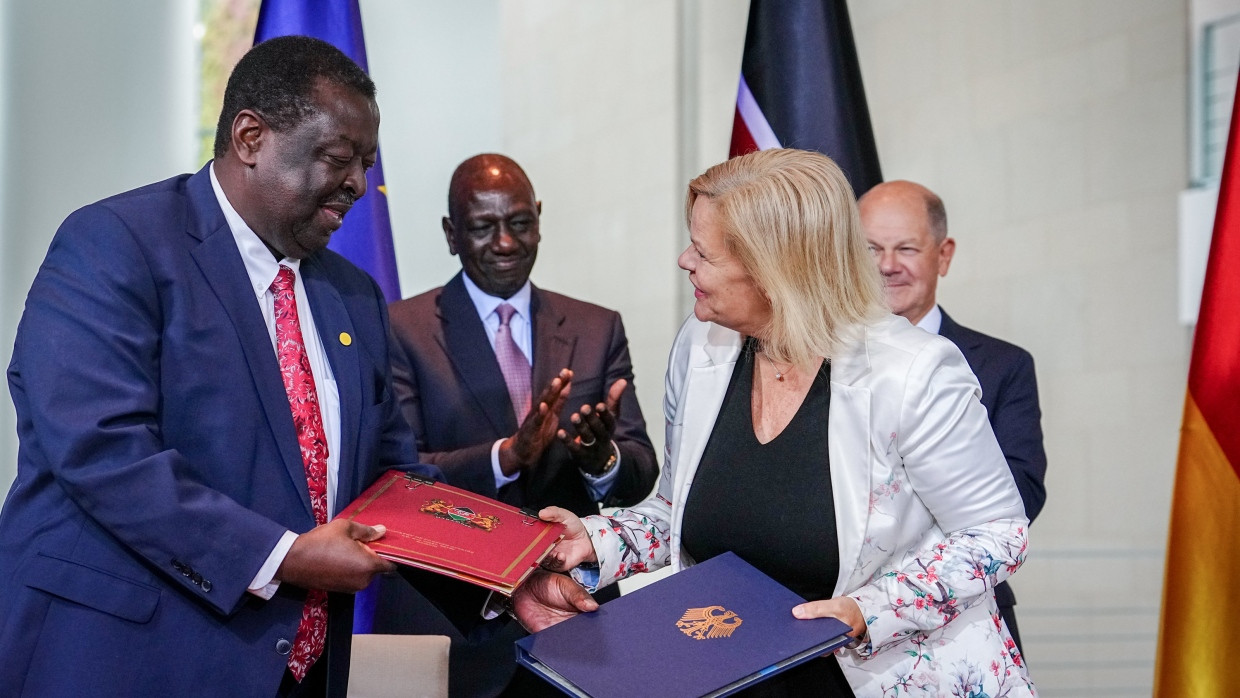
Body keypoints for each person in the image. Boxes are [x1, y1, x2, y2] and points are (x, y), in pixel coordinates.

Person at [0, 37, 591, 698]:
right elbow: (103, 452)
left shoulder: (353, 293)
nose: (359, 187)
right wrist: (283, 556)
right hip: (126, 660)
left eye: (366, 164)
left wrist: (507, 577)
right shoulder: (116, 245)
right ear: (251, 136)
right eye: (340, 160)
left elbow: (393, 483)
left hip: (299, 671)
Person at [539, 149, 1035, 696]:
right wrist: (596, 539)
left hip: (880, 678)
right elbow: (677, 514)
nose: (684, 261)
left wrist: (868, 611)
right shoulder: (703, 345)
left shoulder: (913, 372)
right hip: (727, 675)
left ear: (775, 269)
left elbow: (996, 534)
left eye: (703, 252)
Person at [376, 153, 659, 696]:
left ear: (540, 218)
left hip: (576, 616)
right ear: (450, 234)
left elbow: (640, 471)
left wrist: (602, 462)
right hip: (450, 616)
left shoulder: (596, 327)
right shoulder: (399, 329)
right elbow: (398, 477)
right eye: (483, 227)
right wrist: (505, 456)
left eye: (520, 222)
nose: (506, 243)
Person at [858, 179, 1047, 651]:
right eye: (870, 248)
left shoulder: (1004, 366)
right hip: (842, 627)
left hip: (964, 624)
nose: (886, 265)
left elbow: (1020, 495)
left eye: (906, 249)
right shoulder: (819, 360)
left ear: (943, 255)